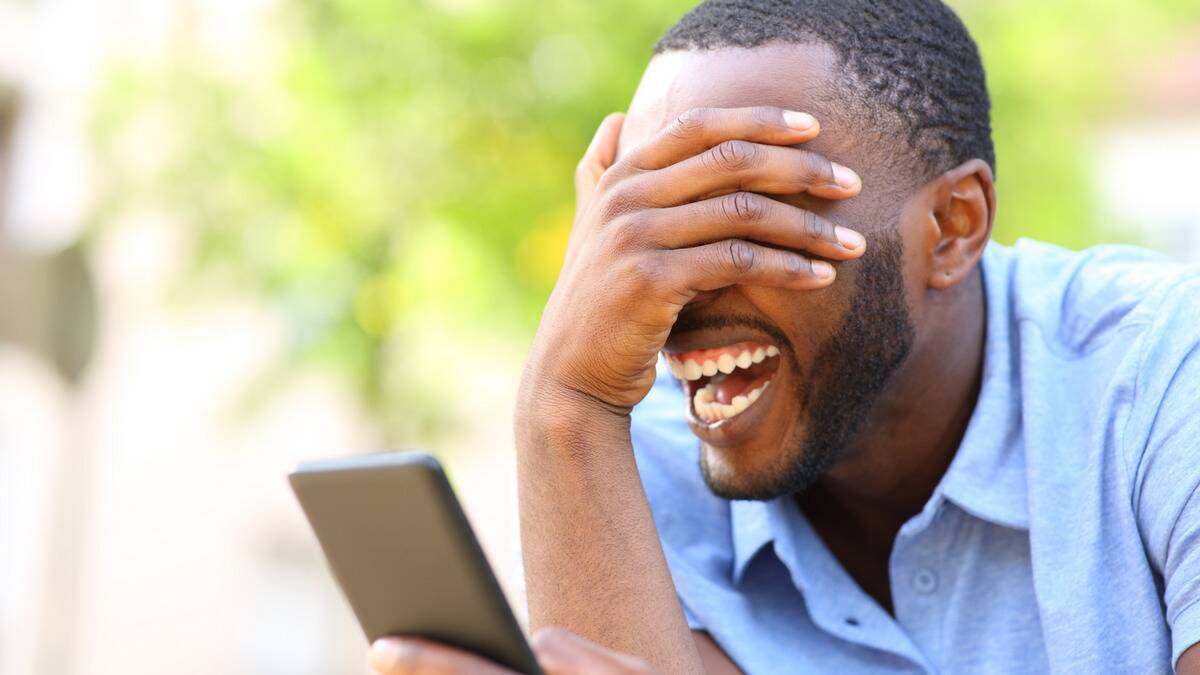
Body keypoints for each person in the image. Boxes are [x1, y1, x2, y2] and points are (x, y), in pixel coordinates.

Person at [369, 1, 1200, 673]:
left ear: (952, 226)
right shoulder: (631, 458)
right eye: (650, 220)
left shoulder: (1162, 375)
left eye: (747, 210)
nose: (672, 284)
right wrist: (563, 400)